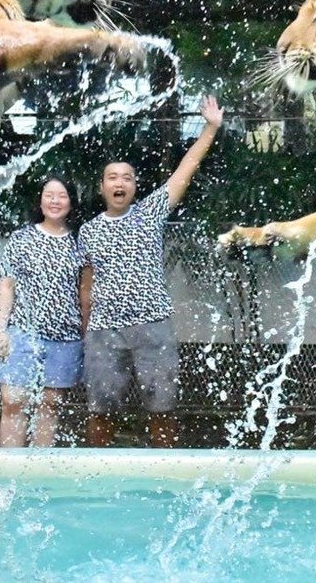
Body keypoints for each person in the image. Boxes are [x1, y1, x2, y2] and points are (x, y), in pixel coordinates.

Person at [79, 95, 224, 447]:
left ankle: (166, 469)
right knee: (101, 409)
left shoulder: (151, 213)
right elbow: (86, 286)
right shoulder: (88, 230)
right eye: (112, 177)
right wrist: (87, 331)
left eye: (126, 178)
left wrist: (211, 128)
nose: (119, 182)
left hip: (152, 325)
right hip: (104, 331)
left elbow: (185, 169)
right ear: (102, 188)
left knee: (162, 406)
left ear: (134, 186)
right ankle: (98, 474)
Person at [0, 176, 85, 448]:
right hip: (22, 332)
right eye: (49, 195)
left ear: (71, 202)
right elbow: (6, 285)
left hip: (65, 337)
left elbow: (86, 290)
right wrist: (0, 330)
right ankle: (9, 468)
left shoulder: (80, 241)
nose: (55, 201)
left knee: (50, 405)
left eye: (62, 195)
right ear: (40, 200)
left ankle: (38, 476)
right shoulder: (21, 238)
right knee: (12, 400)